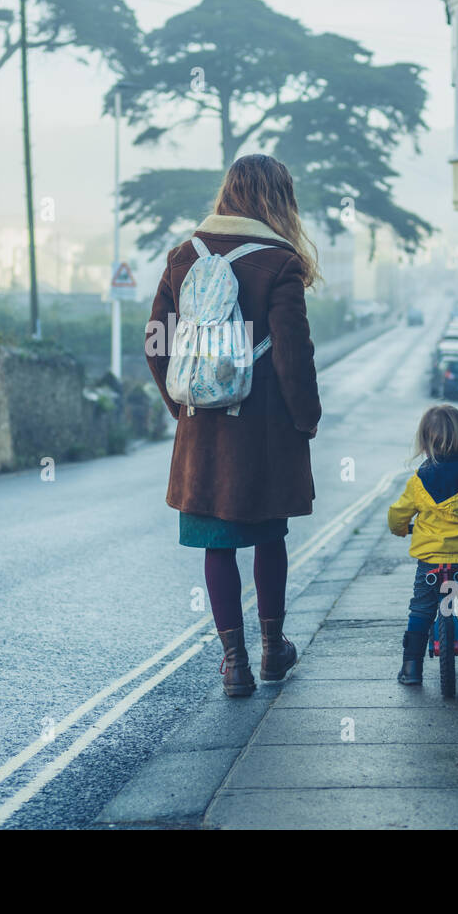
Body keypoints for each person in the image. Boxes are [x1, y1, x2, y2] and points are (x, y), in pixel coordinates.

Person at [146, 154, 322, 697]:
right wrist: (305, 418)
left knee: (215, 545)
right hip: (263, 432)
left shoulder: (183, 256)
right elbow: (293, 354)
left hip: (202, 433)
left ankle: (233, 664)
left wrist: (185, 407)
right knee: (269, 536)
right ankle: (273, 650)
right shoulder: (280, 261)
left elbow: (156, 341)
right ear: (278, 200)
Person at [386, 404, 458, 685]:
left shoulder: (419, 481)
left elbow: (396, 516)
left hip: (430, 562)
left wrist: (401, 529)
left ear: (426, 443)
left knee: (421, 610)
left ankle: (411, 668)